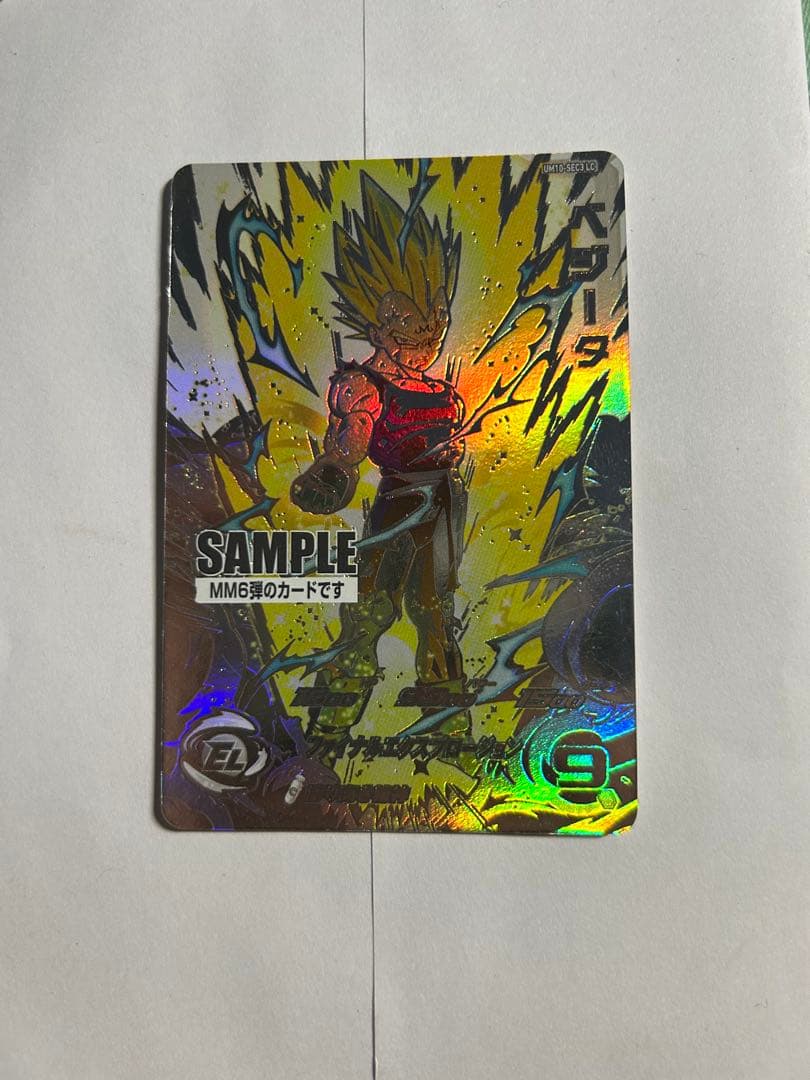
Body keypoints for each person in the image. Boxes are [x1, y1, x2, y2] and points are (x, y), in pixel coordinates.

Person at [290, 172, 469, 767]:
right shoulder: (363, 384)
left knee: (436, 616)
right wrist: (332, 471)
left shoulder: (441, 389)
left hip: (442, 506)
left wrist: (450, 457)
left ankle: (450, 739)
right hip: (398, 506)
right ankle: (328, 735)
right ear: (380, 328)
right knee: (369, 615)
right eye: (411, 326)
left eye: (434, 322)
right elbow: (351, 442)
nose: (426, 337)